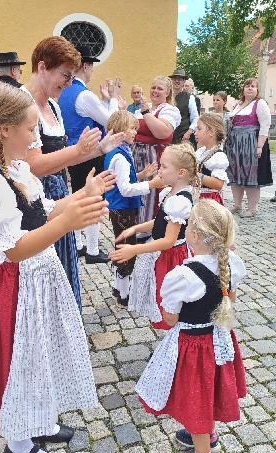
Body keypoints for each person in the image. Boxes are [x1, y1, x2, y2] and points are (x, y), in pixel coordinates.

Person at [0, 82, 116, 453]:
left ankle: (38, 421)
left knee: (42, 353)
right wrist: (68, 221)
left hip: (38, 279)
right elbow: (13, 247)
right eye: (31, 130)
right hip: (15, 284)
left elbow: (42, 209)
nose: (36, 138)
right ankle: (18, 443)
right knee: (22, 362)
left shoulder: (14, 169)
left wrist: (82, 196)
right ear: (5, 130)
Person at [135, 199, 247, 453]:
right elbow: (229, 300)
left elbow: (170, 319)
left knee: (196, 397)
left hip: (194, 347)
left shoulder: (183, 276)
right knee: (207, 390)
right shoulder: (232, 263)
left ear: (193, 236)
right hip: (219, 340)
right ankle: (207, 435)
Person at [23, 37, 123, 310]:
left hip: (57, 191)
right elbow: (32, 165)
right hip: (31, 198)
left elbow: (61, 157)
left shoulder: (53, 106)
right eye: (65, 75)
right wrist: (79, 151)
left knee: (63, 265)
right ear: (42, 67)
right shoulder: (23, 104)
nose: (68, 83)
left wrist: (100, 148)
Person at [110, 143, 196, 330]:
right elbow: (160, 222)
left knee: (171, 302)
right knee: (162, 299)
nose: (159, 170)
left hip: (172, 258)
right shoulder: (169, 193)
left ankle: (176, 341)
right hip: (163, 256)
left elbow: (168, 241)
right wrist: (135, 228)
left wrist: (135, 249)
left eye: (164, 167)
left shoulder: (180, 201)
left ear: (181, 173)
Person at [59, 45, 121, 264]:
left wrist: (104, 101)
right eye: (92, 66)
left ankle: (78, 244)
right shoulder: (83, 94)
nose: (92, 70)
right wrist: (113, 98)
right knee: (95, 197)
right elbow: (110, 121)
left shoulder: (64, 91)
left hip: (71, 151)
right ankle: (93, 250)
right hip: (91, 151)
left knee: (77, 193)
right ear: (85, 66)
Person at [104, 110, 159, 306]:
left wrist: (142, 174)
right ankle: (124, 294)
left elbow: (125, 178)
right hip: (124, 209)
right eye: (132, 128)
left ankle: (119, 286)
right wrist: (150, 185)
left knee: (121, 245)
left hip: (120, 209)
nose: (135, 132)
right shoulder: (120, 156)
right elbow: (125, 189)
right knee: (127, 249)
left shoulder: (119, 152)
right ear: (119, 130)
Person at [132, 76, 181, 238]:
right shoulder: (141, 110)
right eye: (153, 87)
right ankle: (136, 226)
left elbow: (162, 132)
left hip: (155, 156)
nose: (155, 91)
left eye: (160, 88)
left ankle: (150, 230)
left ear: (168, 92)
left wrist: (146, 113)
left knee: (152, 192)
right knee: (136, 189)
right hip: (136, 155)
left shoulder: (169, 110)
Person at [224, 78, 272, 218]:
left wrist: (259, 146)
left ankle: (252, 208)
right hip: (234, 144)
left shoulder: (260, 103)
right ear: (243, 89)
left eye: (253, 86)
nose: (250, 88)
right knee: (234, 174)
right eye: (247, 86)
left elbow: (265, 125)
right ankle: (237, 205)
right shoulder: (237, 105)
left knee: (250, 175)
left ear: (257, 90)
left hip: (250, 143)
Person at [195, 113, 229, 205]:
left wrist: (197, 175)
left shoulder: (218, 157)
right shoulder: (200, 152)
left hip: (210, 201)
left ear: (211, 132)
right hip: (198, 198)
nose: (195, 132)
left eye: (199, 129)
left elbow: (218, 184)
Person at [169, 68, 199, 145]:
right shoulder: (167, 96)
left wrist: (188, 133)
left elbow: (195, 118)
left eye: (180, 79)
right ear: (172, 80)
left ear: (184, 82)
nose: (177, 81)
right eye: (175, 78)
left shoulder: (189, 97)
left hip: (183, 139)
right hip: (168, 138)